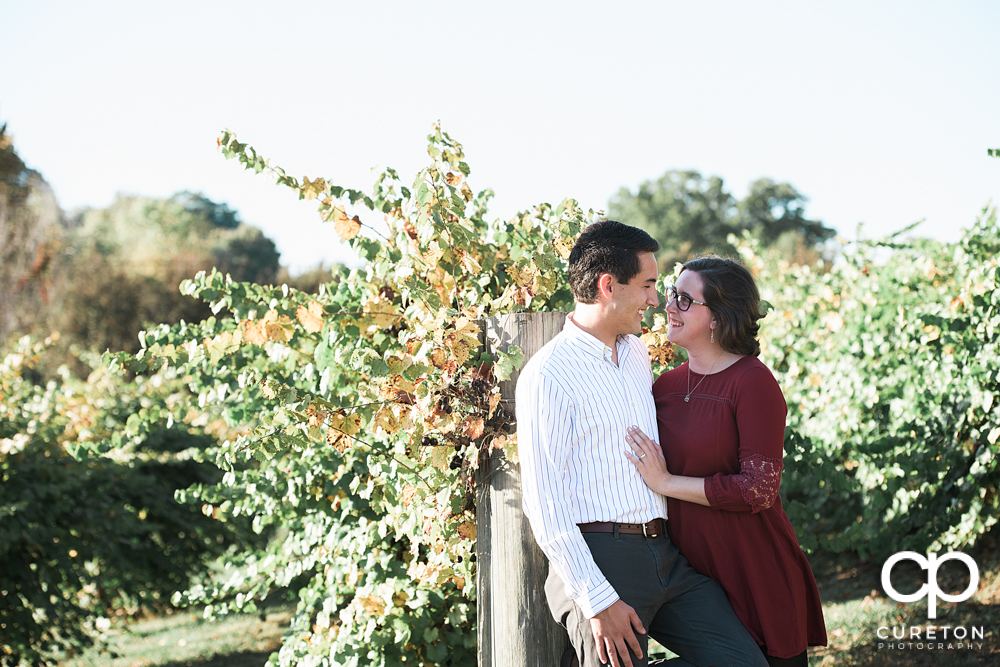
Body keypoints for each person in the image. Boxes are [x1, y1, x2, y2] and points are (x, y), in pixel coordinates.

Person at [517, 221, 768, 667]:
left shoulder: (635, 354)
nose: (657, 300)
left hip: (665, 554)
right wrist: (596, 600)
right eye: (649, 285)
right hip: (602, 559)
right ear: (607, 285)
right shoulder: (548, 375)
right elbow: (545, 506)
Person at [623, 256, 827, 667]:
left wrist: (665, 483)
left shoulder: (753, 381)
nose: (669, 306)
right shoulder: (663, 386)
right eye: (670, 295)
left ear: (717, 317)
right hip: (689, 574)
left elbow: (758, 489)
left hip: (752, 566)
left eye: (684, 299)